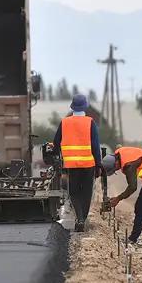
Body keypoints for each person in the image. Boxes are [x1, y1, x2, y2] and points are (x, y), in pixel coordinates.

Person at [53, 94, 101, 232]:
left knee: (73, 192)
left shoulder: (65, 122)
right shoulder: (90, 122)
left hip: (72, 165)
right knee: (86, 193)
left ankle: (79, 218)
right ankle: (82, 220)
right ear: (85, 107)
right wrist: (98, 165)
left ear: (72, 107)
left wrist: (55, 153)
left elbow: (56, 142)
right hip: (88, 165)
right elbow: (95, 146)